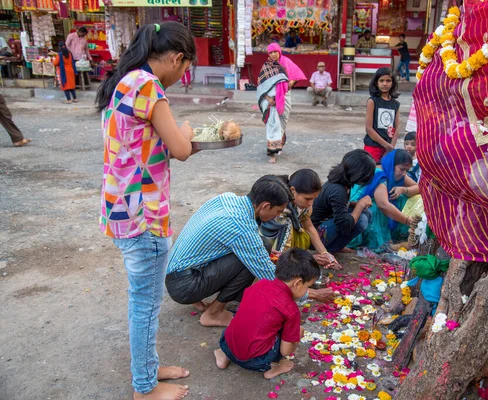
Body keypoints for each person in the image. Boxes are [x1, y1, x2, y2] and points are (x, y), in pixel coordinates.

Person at [96, 22, 197, 400]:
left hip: (125, 211)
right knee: (145, 305)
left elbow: (150, 144)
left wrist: (177, 136)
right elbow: (181, 149)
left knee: (144, 302)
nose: (182, 75)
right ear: (175, 57)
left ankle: (148, 368)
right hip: (143, 217)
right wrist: (185, 131)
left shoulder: (127, 80)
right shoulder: (148, 86)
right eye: (185, 67)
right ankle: (144, 388)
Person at [165, 175, 334, 328]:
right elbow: (268, 275)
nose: (277, 216)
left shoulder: (229, 198)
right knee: (248, 259)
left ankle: (201, 301)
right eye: (277, 212)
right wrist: (308, 294)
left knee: (261, 246)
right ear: (265, 206)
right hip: (185, 286)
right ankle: (213, 313)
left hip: (177, 273)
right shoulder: (241, 228)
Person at [213, 248, 319, 379]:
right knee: (298, 331)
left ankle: (224, 355)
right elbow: (285, 350)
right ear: (297, 283)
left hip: (227, 343)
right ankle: (274, 368)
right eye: (308, 286)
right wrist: (296, 339)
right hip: (256, 362)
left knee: (243, 321)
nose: (307, 290)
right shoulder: (291, 309)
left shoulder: (259, 284)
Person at [258, 170, 341, 269]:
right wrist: (303, 259)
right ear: (293, 191)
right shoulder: (277, 208)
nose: (311, 203)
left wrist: (324, 253)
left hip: (283, 252)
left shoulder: (303, 207)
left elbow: (309, 227)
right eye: (307, 199)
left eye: (314, 199)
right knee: (287, 223)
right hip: (267, 251)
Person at [349, 149, 420, 251]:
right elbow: (383, 205)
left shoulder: (397, 173)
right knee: (379, 207)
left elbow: (418, 188)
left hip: (373, 206)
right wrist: (408, 221)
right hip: (360, 210)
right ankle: (381, 242)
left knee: (404, 197)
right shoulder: (380, 175)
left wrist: (404, 189)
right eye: (402, 169)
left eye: (406, 170)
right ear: (392, 165)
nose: (404, 173)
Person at [311, 150, 376, 253]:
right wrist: (360, 205)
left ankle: (336, 246)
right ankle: (330, 249)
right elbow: (345, 226)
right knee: (361, 220)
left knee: (366, 212)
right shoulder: (338, 190)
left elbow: (338, 207)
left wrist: (354, 205)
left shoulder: (342, 182)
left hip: (324, 224)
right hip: (314, 237)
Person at [257, 43, 306, 163]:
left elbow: (297, 74)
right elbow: (261, 85)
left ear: (279, 52)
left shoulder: (286, 62)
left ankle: (279, 141)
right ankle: (272, 153)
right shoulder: (266, 67)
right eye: (271, 52)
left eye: (275, 52)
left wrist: (289, 83)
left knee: (283, 121)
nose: (273, 55)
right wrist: (269, 99)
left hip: (285, 96)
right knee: (273, 125)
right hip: (269, 100)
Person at [364, 67, 400, 163]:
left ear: (393, 83)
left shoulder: (395, 104)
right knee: (372, 174)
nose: (385, 84)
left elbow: (396, 128)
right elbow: (369, 129)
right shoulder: (372, 101)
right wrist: (386, 145)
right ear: (376, 83)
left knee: (385, 174)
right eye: (381, 80)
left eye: (388, 81)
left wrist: (391, 147)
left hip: (388, 148)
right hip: (372, 147)